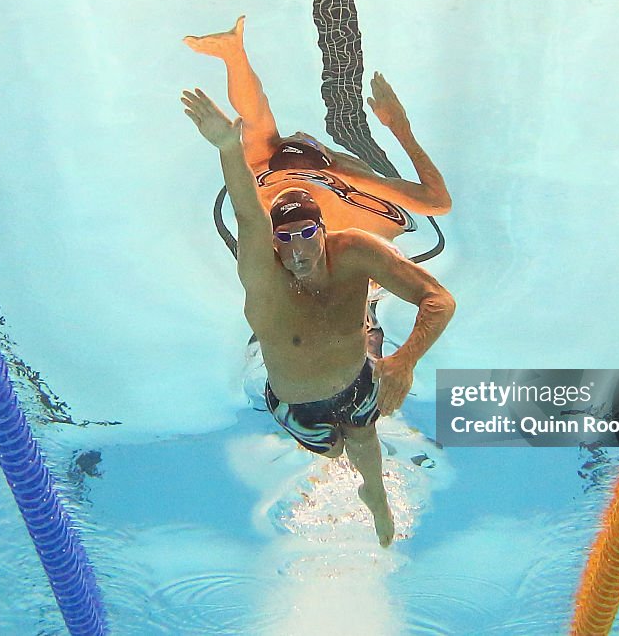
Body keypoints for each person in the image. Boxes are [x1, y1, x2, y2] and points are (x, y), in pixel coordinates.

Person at [181, 88, 455, 547]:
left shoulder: (355, 251)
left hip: (357, 380)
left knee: (364, 440)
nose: (297, 249)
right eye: (285, 238)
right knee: (331, 451)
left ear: (324, 230)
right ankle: (344, 464)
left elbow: (439, 299)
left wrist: (404, 361)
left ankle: (377, 497)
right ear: (273, 243)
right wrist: (229, 149)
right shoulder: (263, 274)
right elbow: (249, 217)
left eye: (307, 233)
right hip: (296, 407)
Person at [184, 16, 451, 241]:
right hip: (363, 225)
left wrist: (234, 57)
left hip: (345, 227)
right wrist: (399, 127)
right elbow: (438, 203)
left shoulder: (262, 175)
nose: (300, 133)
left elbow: (256, 115)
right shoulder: (350, 182)